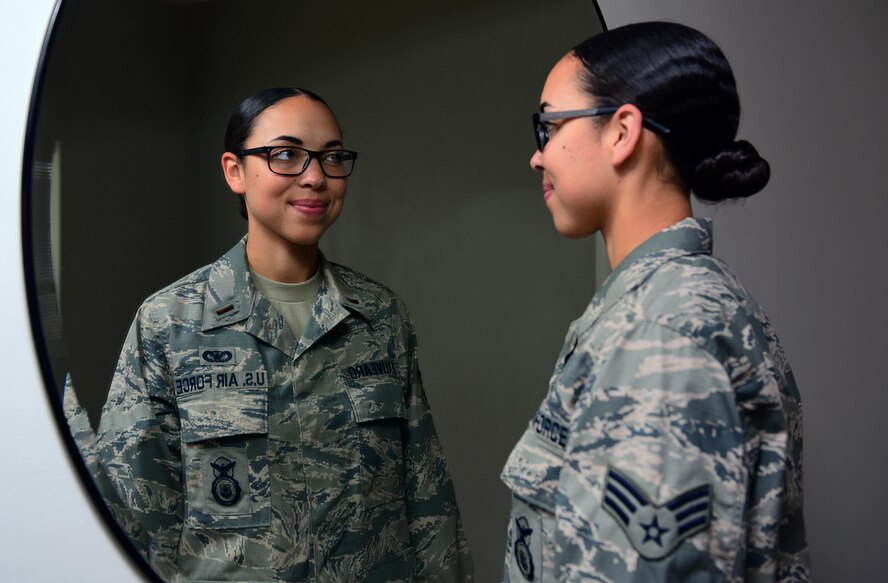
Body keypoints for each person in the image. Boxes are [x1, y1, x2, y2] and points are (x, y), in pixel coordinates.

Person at [95, 87, 473, 582]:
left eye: (332, 157)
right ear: (235, 171)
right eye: (287, 155)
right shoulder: (170, 322)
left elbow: (427, 500)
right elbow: (132, 515)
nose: (315, 176)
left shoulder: (380, 316)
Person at [501, 22, 810, 581]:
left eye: (547, 126)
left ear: (621, 132)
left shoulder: (660, 333)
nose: (536, 157)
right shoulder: (672, 305)